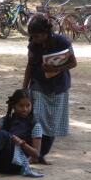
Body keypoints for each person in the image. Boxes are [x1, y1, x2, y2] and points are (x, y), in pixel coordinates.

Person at [23, 14, 76, 163]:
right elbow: (30, 65)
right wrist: (24, 88)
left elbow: (73, 63)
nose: (35, 39)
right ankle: (35, 152)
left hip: (58, 86)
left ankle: (41, 154)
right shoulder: (33, 45)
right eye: (32, 36)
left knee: (52, 122)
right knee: (37, 118)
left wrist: (56, 67)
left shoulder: (62, 42)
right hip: (39, 85)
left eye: (38, 36)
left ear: (47, 33)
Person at [0, 88, 43, 175]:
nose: (25, 109)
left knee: (4, 135)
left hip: (15, 165)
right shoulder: (6, 120)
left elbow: (36, 154)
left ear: (32, 105)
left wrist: (22, 143)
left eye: (28, 106)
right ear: (14, 106)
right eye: (21, 106)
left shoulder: (35, 125)